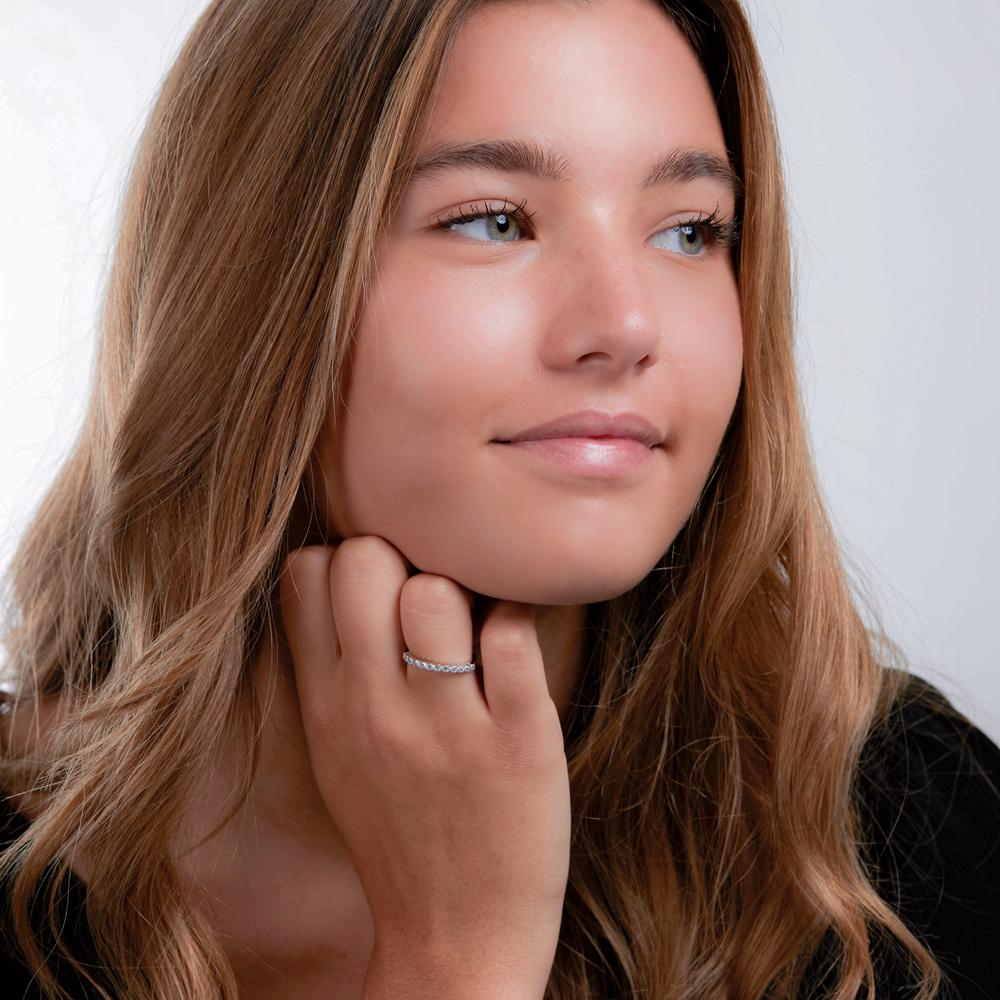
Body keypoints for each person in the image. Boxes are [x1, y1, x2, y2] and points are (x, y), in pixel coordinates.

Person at [1, 0, 997, 997]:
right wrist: (459, 957)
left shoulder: (911, 813)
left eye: (690, 230)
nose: (625, 325)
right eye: (493, 220)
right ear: (247, 277)